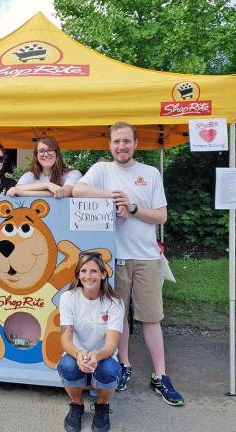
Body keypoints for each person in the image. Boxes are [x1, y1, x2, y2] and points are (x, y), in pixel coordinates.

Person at [73, 121, 184, 406]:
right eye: (116, 142)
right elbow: (77, 191)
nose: (121, 146)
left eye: (126, 141)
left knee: (151, 317)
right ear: (109, 145)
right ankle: (124, 366)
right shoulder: (102, 169)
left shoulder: (150, 173)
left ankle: (160, 375)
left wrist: (132, 207)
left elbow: (161, 217)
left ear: (136, 144)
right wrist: (111, 198)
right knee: (117, 317)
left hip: (147, 256)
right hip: (114, 258)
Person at [58, 250, 124, 432]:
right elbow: (65, 338)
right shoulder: (68, 298)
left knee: (110, 370)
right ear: (78, 274)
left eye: (94, 271)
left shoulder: (115, 303)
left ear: (103, 274)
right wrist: (79, 354)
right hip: (76, 355)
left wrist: (96, 355)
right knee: (67, 365)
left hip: (102, 357)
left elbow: (111, 345)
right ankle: (76, 404)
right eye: (83, 271)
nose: (88, 276)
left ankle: (102, 405)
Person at [6, 136, 81, 198]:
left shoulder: (73, 174)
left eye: (50, 150)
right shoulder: (29, 175)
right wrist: (47, 185)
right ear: (37, 155)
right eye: (41, 151)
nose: (45, 154)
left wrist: (23, 193)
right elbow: (17, 188)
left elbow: (64, 193)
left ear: (57, 153)